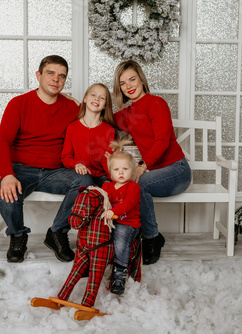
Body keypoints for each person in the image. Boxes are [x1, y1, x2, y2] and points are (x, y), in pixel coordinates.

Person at [0, 55, 93, 263]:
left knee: (84, 181)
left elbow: (95, 126)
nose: (56, 79)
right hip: (22, 169)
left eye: (61, 76)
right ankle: (18, 236)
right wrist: (7, 175)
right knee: (6, 193)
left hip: (55, 171)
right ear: (38, 75)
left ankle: (57, 233)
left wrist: (83, 106)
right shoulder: (19, 104)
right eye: (50, 73)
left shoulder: (71, 108)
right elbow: (2, 141)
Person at [112, 59, 192, 265]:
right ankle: (137, 237)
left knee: (141, 184)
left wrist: (141, 166)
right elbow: (103, 118)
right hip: (154, 172)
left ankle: (151, 238)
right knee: (127, 184)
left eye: (132, 79)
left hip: (177, 170)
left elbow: (162, 141)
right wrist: (82, 105)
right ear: (119, 88)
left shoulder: (156, 104)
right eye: (123, 83)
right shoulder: (127, 114)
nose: (129, 86)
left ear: (141, 80)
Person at [101, 142, 141, 295]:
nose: (121, 172)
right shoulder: (107, 187)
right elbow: (100, 199)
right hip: (112, 221)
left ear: (132, 171)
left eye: (125, 169)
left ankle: (120, 273)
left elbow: (128, 204)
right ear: (111, 172)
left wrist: (112, 211)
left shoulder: (133, 187)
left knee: (120, 240)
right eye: (116, 169)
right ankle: (92, 265)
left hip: (128, 223)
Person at [61, 83, 116, 187]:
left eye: (102, 97)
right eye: (93, 95)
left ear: (105, 105)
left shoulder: (109, 131)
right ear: (85, 99)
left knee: (109, 190)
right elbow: (65, 156)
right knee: (84, 190)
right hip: (79, 175)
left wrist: (112, 178)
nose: (96, 99)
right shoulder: (72, 127)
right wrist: (76, 164)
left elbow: (108, 161)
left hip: (102, 176)